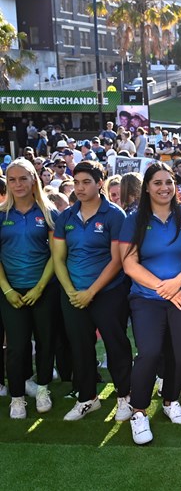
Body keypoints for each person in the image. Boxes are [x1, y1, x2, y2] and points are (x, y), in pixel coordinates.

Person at [119, 162, 181, 444]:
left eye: (169, 182)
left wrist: (176, 283)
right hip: (146, 299)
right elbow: (129, 264)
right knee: (150, 353)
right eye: (157, 182)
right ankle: (139, 411)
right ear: (147, 187)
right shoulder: (133, 219)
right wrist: (164, 288)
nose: (164, 188)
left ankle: (170, 400)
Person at [51, 160, 133, 421]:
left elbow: (117, 260)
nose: (80, 187)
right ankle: (87, 398)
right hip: (74, 293)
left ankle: (125, 397)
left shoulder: (114, 215)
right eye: (76, 182)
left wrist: (92, 291)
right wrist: (71, 291)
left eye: (86, 182)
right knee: (80, 346)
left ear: (100, 183)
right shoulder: (66, 216)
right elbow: (58, 258)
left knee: (116, 344)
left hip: (109, 292)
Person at [0, 159, 60, 419]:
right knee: (16, 346)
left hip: (43, 290)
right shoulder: (2, 215)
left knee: (46, 342)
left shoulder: (48, 213)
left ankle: (43, 388)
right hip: (10, 291)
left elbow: (56, 256)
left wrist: (39, 287)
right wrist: (6, 290)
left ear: (33, 179)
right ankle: (17, 397)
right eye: (12, 179)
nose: (17, 184)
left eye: (23, 178)